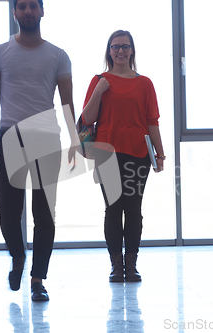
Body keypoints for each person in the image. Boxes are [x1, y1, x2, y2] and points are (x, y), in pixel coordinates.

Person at [0, 0, 76, 301]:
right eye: (21, 7)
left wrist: (76, 140)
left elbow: (67, 104)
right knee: (8, 213)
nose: (27, 11)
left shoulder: (58, 56)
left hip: (46, 137)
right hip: (10, 137)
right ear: (15, 13)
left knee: (44, 213)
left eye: (32, 6)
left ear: (42, 12)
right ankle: (18, 257)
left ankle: (38, 279)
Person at [81, 30, 165, 282]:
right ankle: (116, 265)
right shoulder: (99, 80)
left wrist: (159, 154)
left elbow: (152, 122)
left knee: (133, 208)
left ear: (132, 51)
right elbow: (87, 119)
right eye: (115, 47)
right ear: (109, 51)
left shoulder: (145, 83)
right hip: (107, 154)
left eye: (125, 46)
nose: (120, 51)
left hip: (139, 154)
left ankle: (132, 264)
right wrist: (99, 91)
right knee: (113, 208)